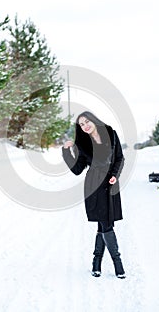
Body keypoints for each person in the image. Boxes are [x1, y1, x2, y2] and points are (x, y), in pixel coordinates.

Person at [62, 111, 126, 279]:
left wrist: (115, 175)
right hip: (94, 186)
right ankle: (118, 265)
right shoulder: (82, 144)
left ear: (93, 120)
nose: (85, 126)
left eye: (86, 121)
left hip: (110, 184)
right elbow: (77, 169)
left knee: (103, 225)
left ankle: (96, 264)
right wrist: (66, 151)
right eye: (81, 125)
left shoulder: (110, 133)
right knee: (106, 224)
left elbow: (120, 157)